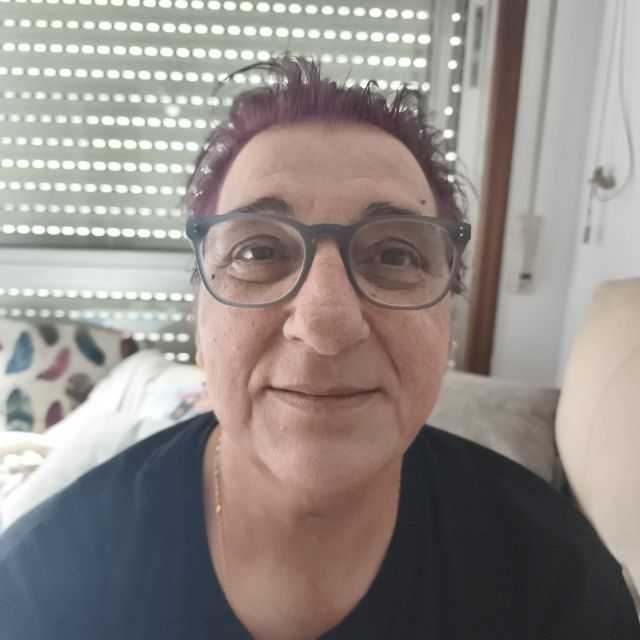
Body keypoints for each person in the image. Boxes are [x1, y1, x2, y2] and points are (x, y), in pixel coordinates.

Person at [1, 56, 638, 639]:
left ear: (447, 317)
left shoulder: (559, 587)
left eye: (395, 255)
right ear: (200, 314)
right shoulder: (42, 588)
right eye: (258, 251)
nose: (326, 321)